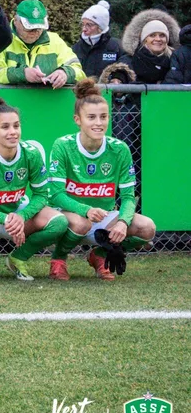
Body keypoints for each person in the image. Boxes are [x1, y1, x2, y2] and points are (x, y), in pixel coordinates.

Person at [46, 79, 156, 281]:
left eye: (103, 117)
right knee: (80, 223)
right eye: (91, 117)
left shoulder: (119, 149)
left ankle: (99, 255)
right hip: (69, 216)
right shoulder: (62, 146)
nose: (99, 123)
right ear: (77, 119)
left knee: (147, 227)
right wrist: (84, 210)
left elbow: (129, 197)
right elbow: (56, 194)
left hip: (103, 218)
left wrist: (123, 222)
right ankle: (58, 260)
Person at [0, 98, 69, 282]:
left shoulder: (31, 153)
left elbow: (42, 195)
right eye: (5, 127)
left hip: (15, 213)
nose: (13, 132)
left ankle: (18, 258)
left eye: (16, 126)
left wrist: (22, 216)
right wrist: (6, 219)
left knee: (59, 223)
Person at [0, 0, 83, 87]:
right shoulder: (2, 40)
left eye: (39, 28)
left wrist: (65, 73)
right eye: (29, 28)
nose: (35, 32)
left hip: (48, 101)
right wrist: (22, 74)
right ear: (16, 21)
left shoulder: (55, 41)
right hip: (9, 102)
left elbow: (79, 71)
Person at [71, 0, 127, 80]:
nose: (84, 29)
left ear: (100, 27)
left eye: (89, 25)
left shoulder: (117, 47)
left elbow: (126, 69)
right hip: (81, 91)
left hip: (106, 92)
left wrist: (118, 79)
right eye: (82, 24)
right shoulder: (75, 48)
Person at [123, 9, 179, 84]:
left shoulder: (175, 59)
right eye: (152, 35)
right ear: (145, 39)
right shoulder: (131, 59)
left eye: (162, 35)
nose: (158, 39)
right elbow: (120, 73)